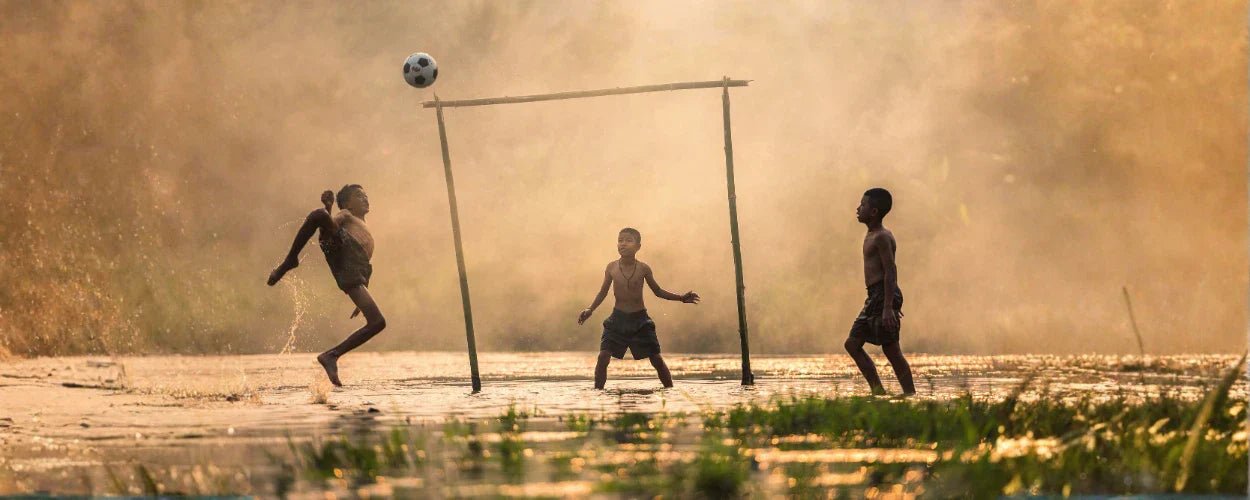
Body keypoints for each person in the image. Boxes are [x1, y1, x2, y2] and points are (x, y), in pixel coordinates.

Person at [268, 184, 384, 386]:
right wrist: (329, 208)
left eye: (366, 196)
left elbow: (366, 265)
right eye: (359, 196)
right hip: (342, 251)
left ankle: (332, 355)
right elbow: (328, 230)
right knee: (319, 215)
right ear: (347, 204)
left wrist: (364, 290)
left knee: (377, 322)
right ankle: (290, 260)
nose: (366, 199)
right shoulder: (346, 215)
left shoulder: (363, 226)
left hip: (353, 269)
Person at [577, 228, 700, 389]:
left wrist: (681, 298)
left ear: (638, 246)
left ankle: (670, 391)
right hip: (617, 320)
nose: (623, 244)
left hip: (640, 320)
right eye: (620, 240)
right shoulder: (611, 267)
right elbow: (603, 292)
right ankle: (598, 392)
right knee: (603, 357)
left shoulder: (643, 268)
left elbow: (658, 291)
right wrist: (590, 309)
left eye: (628, 240)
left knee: (656, 358)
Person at [844, 188, 916, 395]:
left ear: (874, 212)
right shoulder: (871, 234)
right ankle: (878, 392)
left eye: (863, 205)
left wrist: (888, 306)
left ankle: (910, 395)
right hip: (874, 296)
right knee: (852, 344)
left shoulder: (882, 237)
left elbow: (891, 270)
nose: (858, 208)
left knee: (891, 349)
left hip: (882, 295)